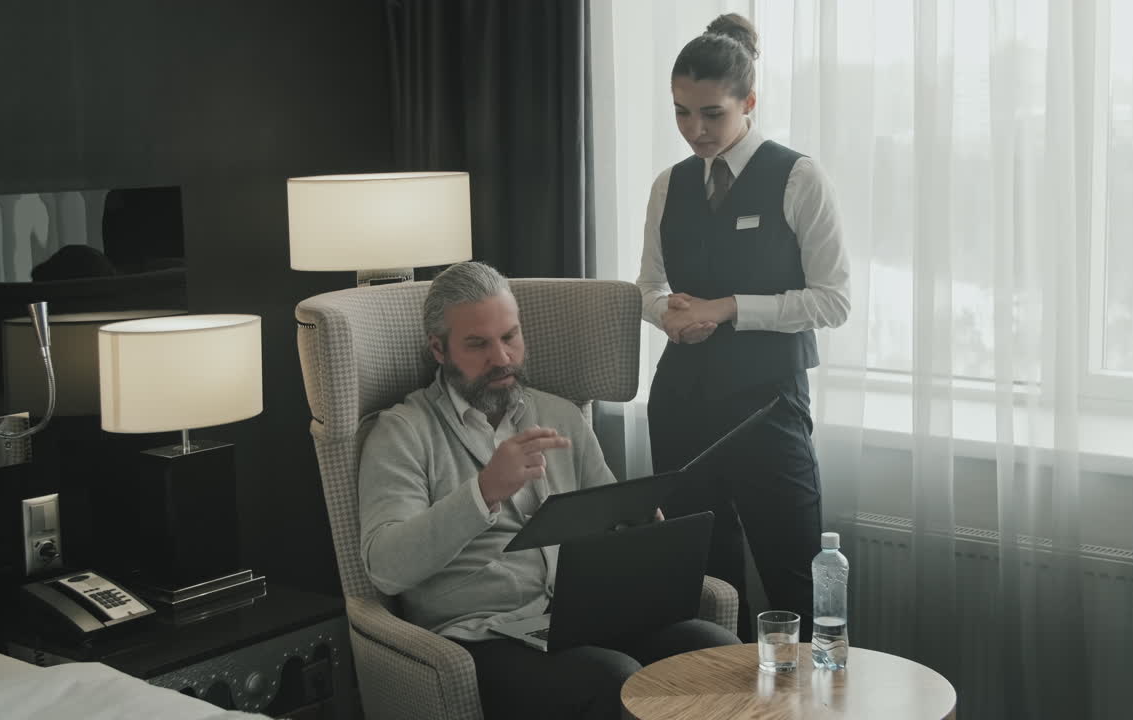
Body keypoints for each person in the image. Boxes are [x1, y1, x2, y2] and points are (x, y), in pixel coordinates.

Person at [359, 261, 738, 720]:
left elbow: (612, 517)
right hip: (481, 636)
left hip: (578, 620)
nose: (501, 359)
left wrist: (640, 533)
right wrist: (483, 491)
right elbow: (387, 568)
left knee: (715, 652)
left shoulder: (560, 415)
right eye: (478, 344)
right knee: (613, 680)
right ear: (438, 349)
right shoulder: (403, 432)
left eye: (510, 337)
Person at [637, 14, 851, 642]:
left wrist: (727, 308)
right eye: (680, 113)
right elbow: (648, 287)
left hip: (767, 405)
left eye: (711, 114)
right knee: (705, 587)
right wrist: (672, 319)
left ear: (748, 103)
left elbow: (833, 301)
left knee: (797, 587)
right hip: (680, 405)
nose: (694, 130)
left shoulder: (798, 177)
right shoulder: (666, 186)